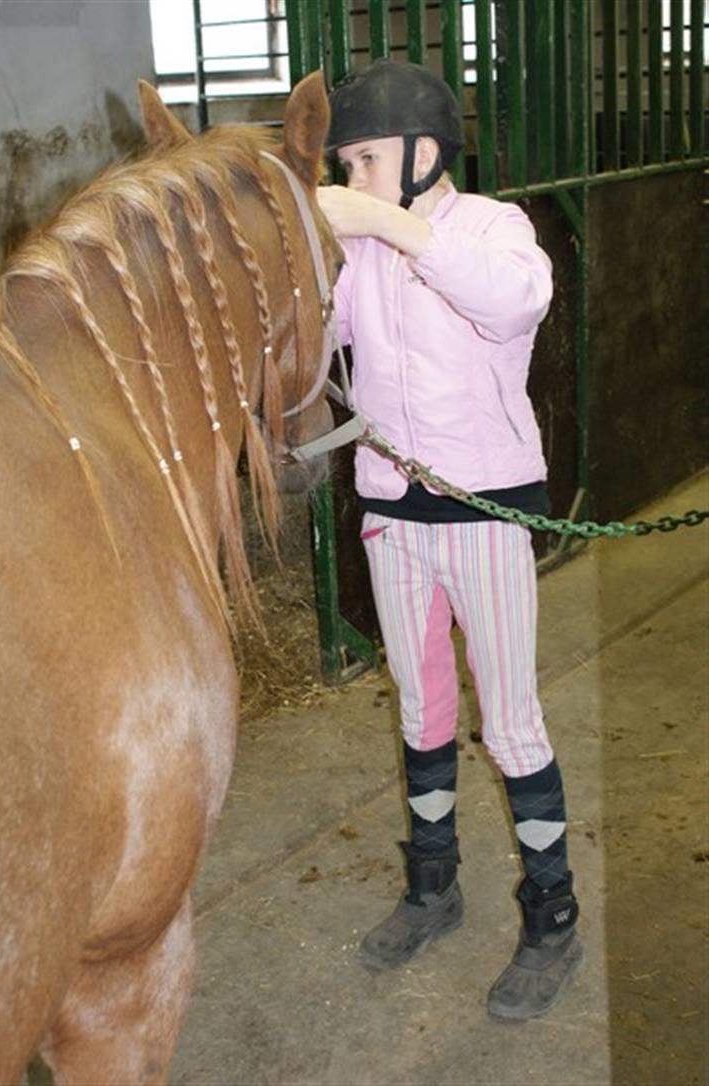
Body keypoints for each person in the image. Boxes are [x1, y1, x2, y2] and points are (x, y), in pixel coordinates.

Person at [316, 59, 582, 1022]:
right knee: (421, 711)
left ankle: (552, 914)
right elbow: (322, 338)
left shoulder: (488, 228)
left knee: (508, 719)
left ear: (426, 154)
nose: (354, 180)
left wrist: (391, 226)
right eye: (345, 165)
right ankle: (434, 885)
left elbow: (516, 303)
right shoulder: (363, 256)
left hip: (483, 510)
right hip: (393, 512)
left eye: (368, 159)